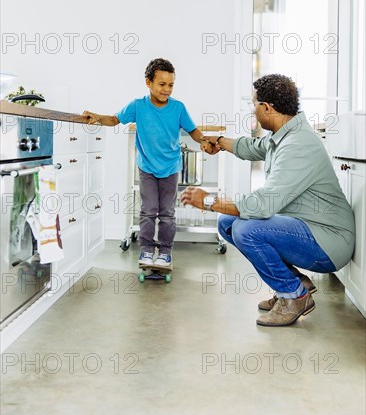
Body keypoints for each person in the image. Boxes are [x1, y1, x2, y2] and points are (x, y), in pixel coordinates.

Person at [181, 74, 355, 327]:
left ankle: (294, 296)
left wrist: (208, 201)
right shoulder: (285, 135)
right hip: (308, 229)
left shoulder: (298, 145)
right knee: (228, 222)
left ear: (266, 107)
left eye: (254, 104)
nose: (253, 111)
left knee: (246, 228)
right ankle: (297, 283)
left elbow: (264, 204)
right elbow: (253, 147)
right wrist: (218, 142)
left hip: (328, 241)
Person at [83, 58, 205, 269]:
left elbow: (193, 131)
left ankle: (165, 252)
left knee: (167, 213)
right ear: (148, 82)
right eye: (162, 84)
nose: (167, 89)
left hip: (170, 168)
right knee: (148, 211)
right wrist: (97, 117)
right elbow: (114, 119)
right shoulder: (138, 106)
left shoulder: (178, 108)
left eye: (171, 85)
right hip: (147, 167)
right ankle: (147, 250)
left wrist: (205, 141)